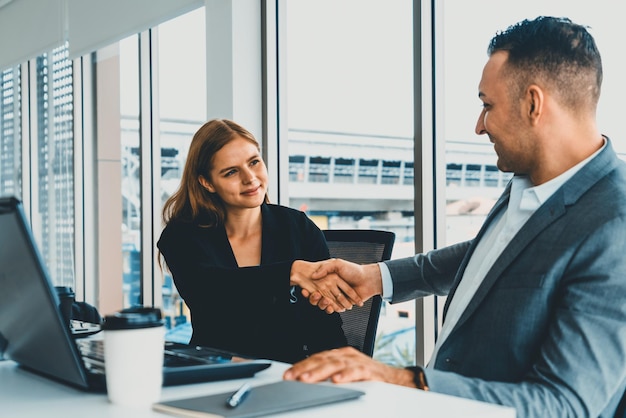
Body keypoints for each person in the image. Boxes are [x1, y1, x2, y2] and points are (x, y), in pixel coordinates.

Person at [284, 16, 626, 417]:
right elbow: (492, 256)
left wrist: (405, 381)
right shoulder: (531, 179)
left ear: (534, 104)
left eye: (487, 105)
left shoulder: (614, 226)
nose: (479, 126)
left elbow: (565, 405)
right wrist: (376, 278)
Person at [157, 118, 351, 364]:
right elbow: (210, 292)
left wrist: (337, 377)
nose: (250, 178)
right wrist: (290, 272)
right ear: (207, 182)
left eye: (254, 162)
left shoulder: (299, 228)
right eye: (231, 172)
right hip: (215, 373)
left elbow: (326, 329)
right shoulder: (182, 236)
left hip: (289, 373)